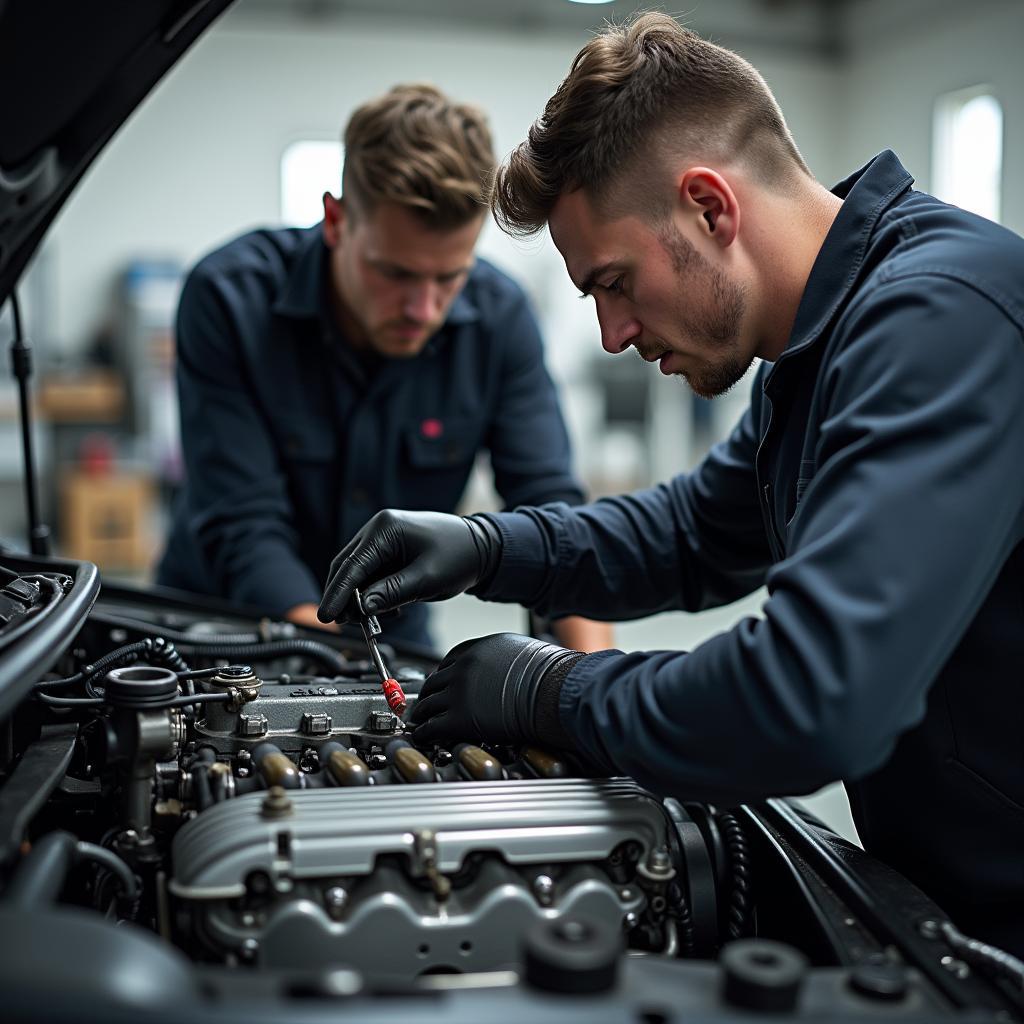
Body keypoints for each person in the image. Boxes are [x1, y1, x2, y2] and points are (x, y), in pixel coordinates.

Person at [317, 16, 1024, 954]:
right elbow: (690, 533)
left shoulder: (943, 318)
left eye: (614, 281)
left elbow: (810, 700)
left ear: (709, 207)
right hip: (952, 908)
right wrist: (488, 548)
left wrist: (552, 691)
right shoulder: (820, 351)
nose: (611, 333)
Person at [157, 84, 609, 653]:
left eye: (449, 278)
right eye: (395, 274)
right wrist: (343, 677)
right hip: (227, 634)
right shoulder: (228, 299)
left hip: (389, 637)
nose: (424, 309)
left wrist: (589, 680)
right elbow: (246, 528)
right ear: (335, 221)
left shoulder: (499, 319)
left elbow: (550, 514)